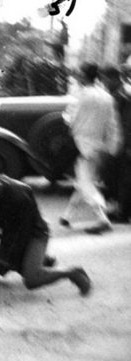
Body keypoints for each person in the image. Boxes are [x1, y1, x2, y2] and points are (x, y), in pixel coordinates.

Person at [0, 172, 91, 295]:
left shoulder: (18, 198)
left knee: (31, 280)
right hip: (13, 233)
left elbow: (20, 235)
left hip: (35, 233)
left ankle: (71, 272)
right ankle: (41, 261)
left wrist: (5, 255)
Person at [60, 62, 121, 234]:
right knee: (84, 180)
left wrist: (66, 119)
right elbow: (112, 125)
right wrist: (112, 147)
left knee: (85, 182)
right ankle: (67, 215)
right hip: (100, 146)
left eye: (79, 73)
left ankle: (103, 218)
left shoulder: (81, 95)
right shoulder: (106, 97)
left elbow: (71, 118)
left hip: (81, 145)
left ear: (83, 76)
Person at [100, 65, 131, 223]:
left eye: (105, 79)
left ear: (113, 78)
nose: (103, 83)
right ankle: (121, 210)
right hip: (120, 142)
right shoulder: (119, 92)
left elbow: (126, 123)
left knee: (125, 179)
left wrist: (126, 146)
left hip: (125, 143)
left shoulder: (123, 94)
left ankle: (123, 214)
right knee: (118, 178)